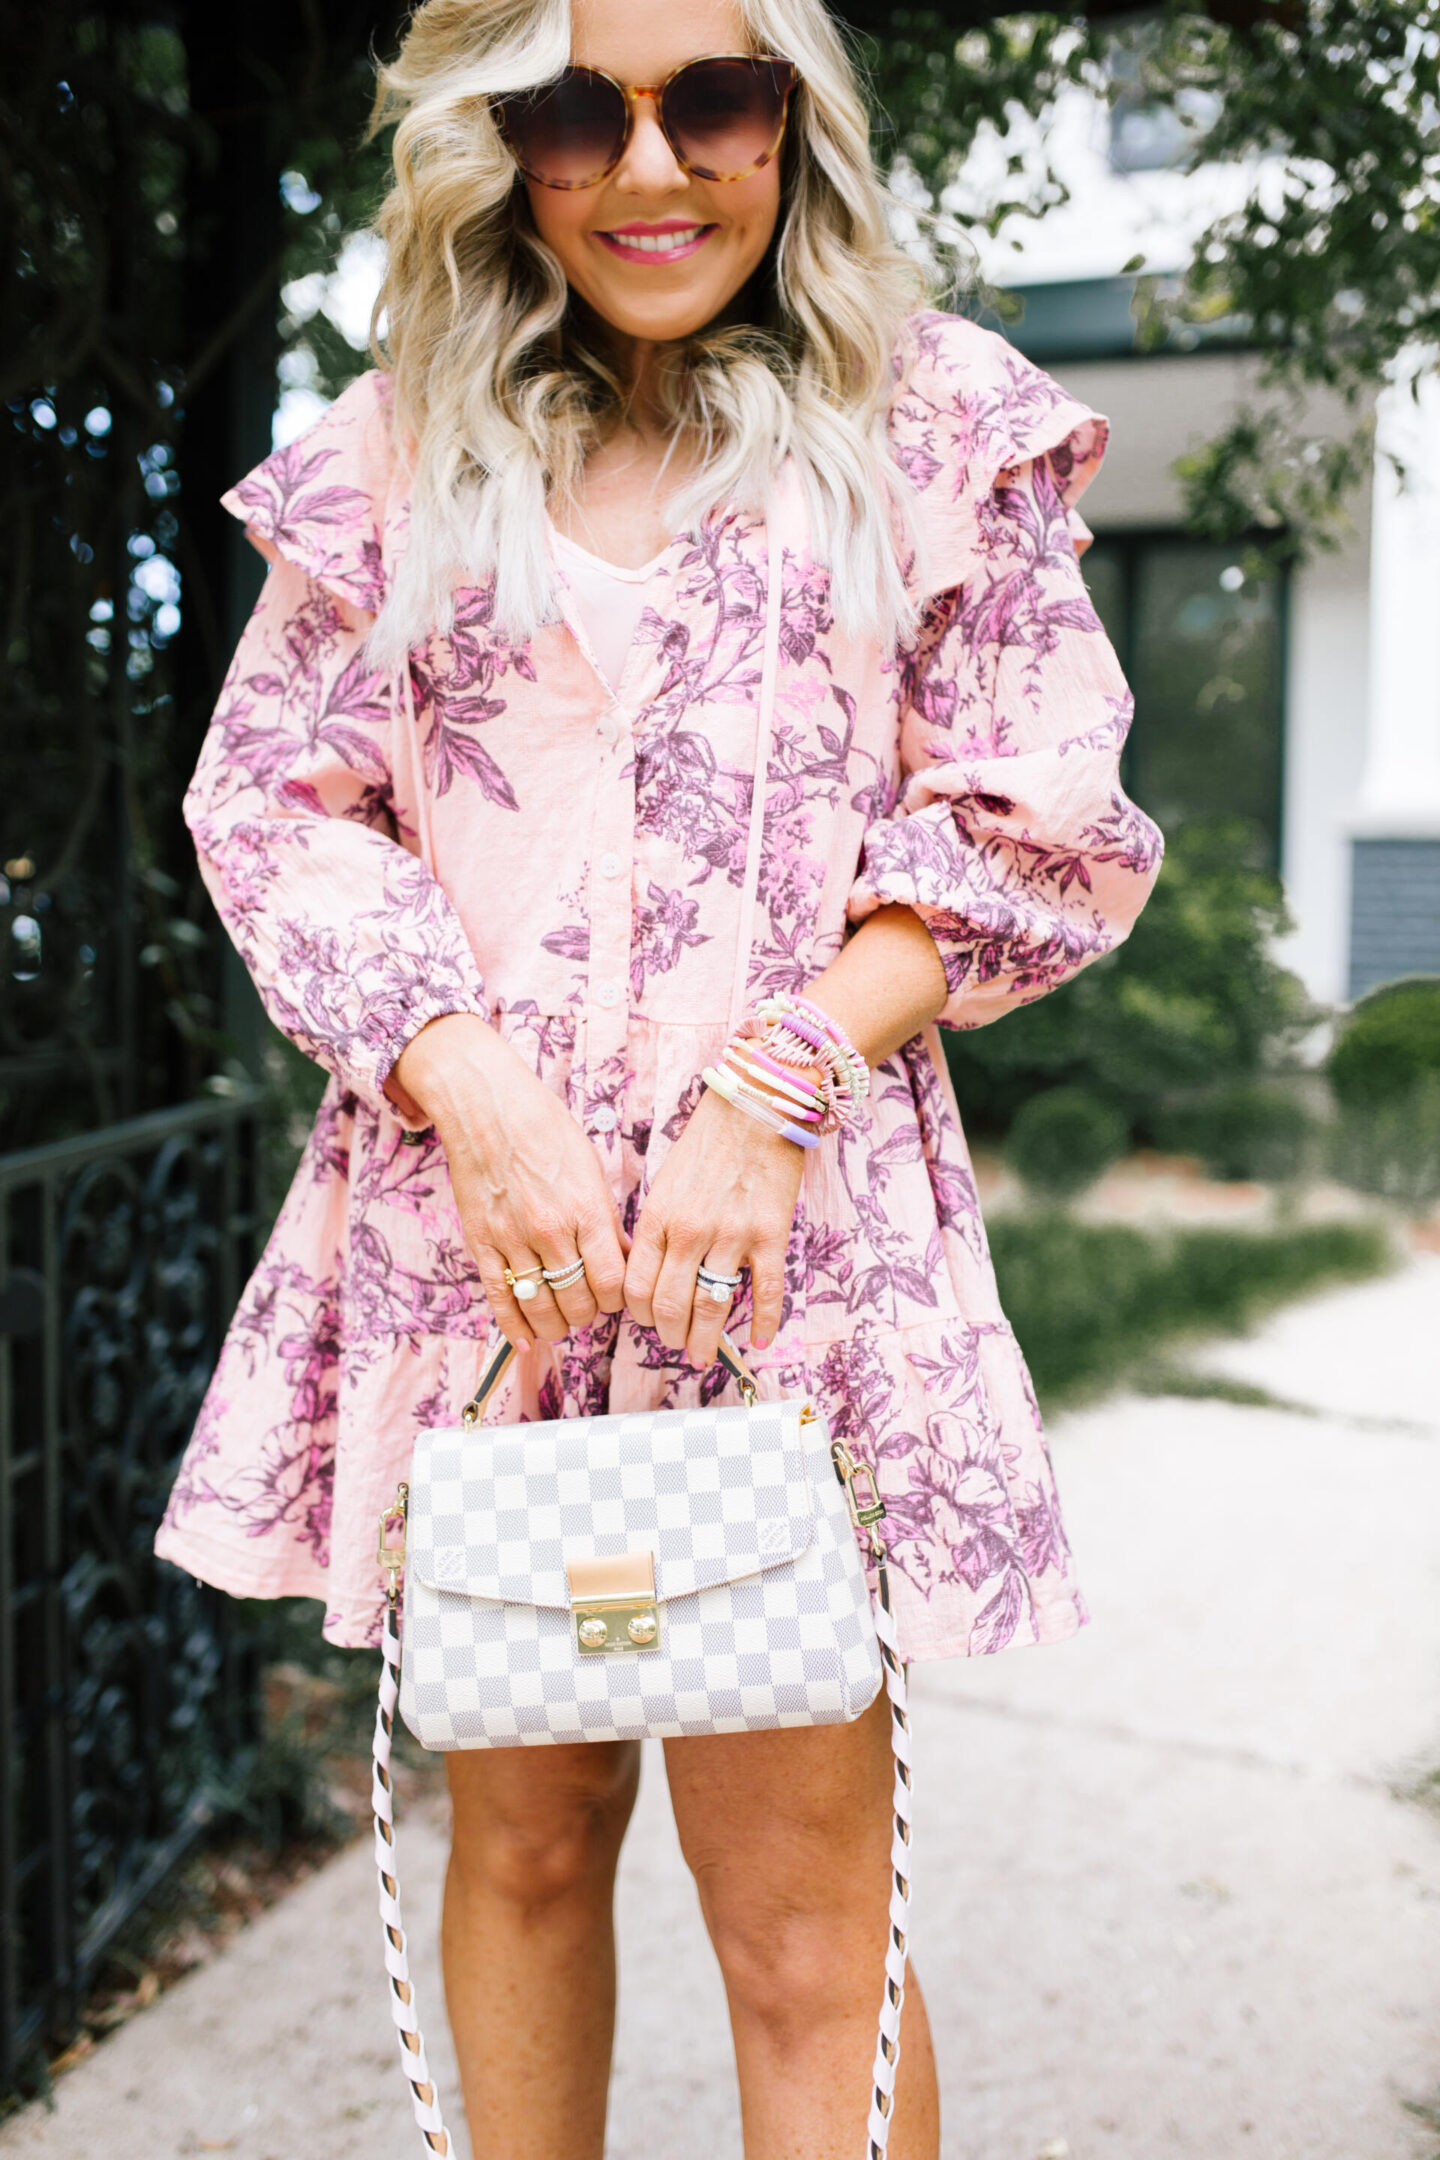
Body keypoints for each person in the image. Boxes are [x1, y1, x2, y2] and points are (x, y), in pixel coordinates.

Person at [157, 0, 1163, 2150]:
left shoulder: (929, 420)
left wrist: (777, 1079)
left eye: (713, 97)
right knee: (519, 1854)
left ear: (794, 120)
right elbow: (270, 805)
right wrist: (466, 1075)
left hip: (777, 1248)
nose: (649, 169)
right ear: (493, 144)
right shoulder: (396, 451)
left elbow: (1039, 807)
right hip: (479, 1249)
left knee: (805, 1936)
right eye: (569, 108)